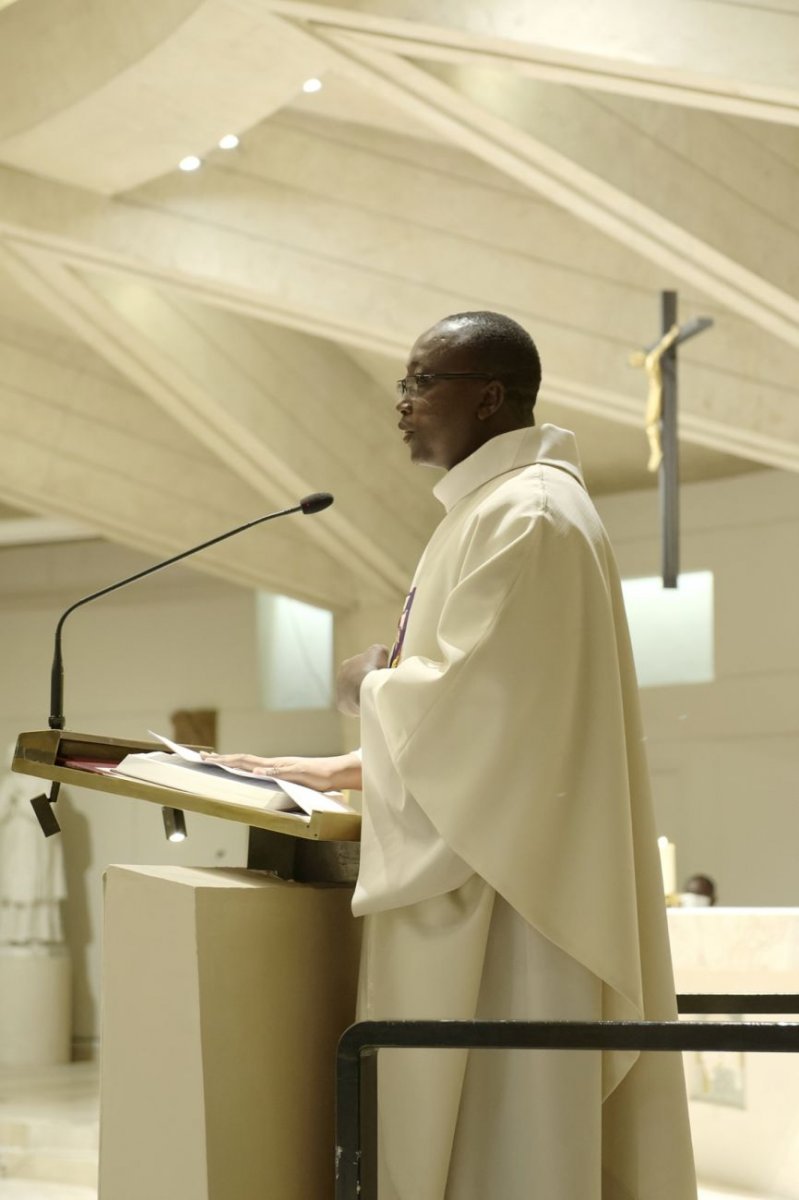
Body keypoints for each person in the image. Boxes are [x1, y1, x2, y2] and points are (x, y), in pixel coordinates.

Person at [208, 312, 697, 1199]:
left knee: (507, 1130)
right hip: (496, 865)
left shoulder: (529, 516)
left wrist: (365, 680)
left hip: (512, 905)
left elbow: (474, 709)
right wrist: (339, 767)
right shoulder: (498, 510)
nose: (400, 403)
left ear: (489, 394)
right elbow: (489, 715)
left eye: (419, 381)